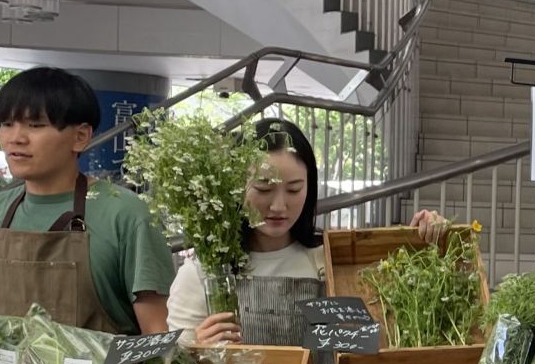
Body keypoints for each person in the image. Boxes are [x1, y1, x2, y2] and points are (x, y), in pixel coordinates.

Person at [166, 117, 449, 345]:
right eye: (264, 189)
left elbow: (388, 334)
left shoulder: (330, 260)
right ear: (235, 188)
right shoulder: (204, 273)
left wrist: (426, 241)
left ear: (310, 187)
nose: (279, 206)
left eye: (294, 189)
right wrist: (199, 351)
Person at [0, 67, 174, 335]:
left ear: (80, 136)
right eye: (7, 124)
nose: (16, 138)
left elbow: (158, 336)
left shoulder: (127, 215)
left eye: (35, 125)